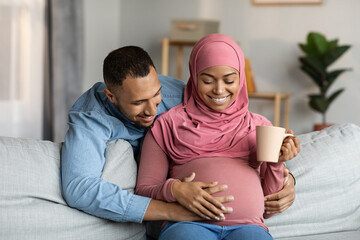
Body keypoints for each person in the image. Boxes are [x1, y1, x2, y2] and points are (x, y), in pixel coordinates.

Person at [61, 45, 296, 228]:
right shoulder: (89, 117)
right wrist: (171, 209)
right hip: (167, 203)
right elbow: (79, 188)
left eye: (155, 95)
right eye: (138, 103)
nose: (152, 110)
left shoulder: (178, 94)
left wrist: (286, 178)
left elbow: (231, 133)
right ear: (111, 97)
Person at [135, 34, 300, 240]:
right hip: (188, 225)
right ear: (194, 78)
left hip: (249, 227)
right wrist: (175, 189)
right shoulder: (167, 125)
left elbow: (269, 208)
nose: (219, 90)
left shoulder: (260, 126)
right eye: (207, 80)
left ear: (240, 80)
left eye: (229, 80)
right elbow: (143, 191)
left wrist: (277, 162)